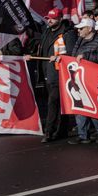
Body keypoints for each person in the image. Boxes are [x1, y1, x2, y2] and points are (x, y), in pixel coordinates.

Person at [31, 8, 76, 142]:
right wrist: (31, 56)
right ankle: (62, 130)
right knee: (56, 103)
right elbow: (42, 50)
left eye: (53, 18)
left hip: (59, 74)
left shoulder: (68, 34)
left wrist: (59, 58)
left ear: (60, 19)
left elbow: (71, 54)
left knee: (53, 103)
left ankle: (49, 132)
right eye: (48, 18)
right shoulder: (47, 31)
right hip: (46, 73)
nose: (49, 20)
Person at [67, 18, 98, 144]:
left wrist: (86, 56)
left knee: (93, 105)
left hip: (93, 79)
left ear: (90, 29)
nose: (79, 30)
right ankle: (82, 135)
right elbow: (73, 55)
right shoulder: (80, 39)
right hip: (79, 78)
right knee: (79, 105)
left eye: (81, 28)